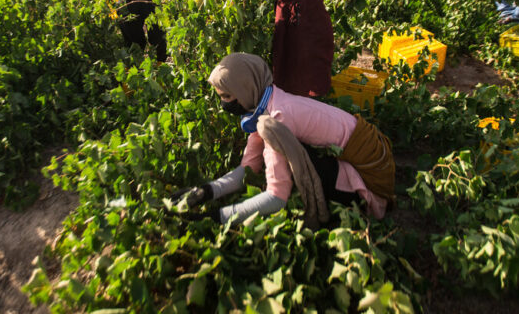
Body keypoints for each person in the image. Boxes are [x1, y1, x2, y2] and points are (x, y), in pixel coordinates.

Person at [169, 53, 395, 229]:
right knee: (289, 156)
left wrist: (217, 217)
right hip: (370, 154)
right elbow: (249, 168)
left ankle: (348, 200)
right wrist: (205, 191)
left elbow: (277, 197)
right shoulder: (266, 100)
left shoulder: (276, 118)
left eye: (227, 97)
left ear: (245, 89)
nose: (224, 105)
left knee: (290, 164)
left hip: (370, 175)